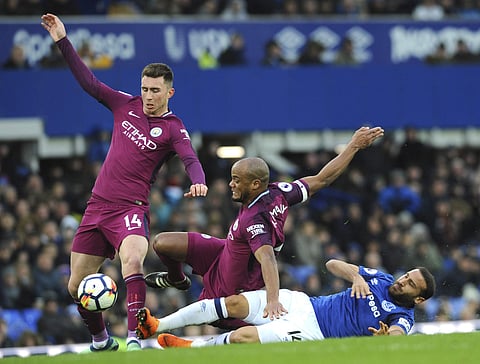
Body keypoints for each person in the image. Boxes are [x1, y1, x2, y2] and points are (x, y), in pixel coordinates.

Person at [40, 13, 208, 352]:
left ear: (169, 92)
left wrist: (199, 181)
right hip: (97, 206)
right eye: (144, 88)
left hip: (130, 209)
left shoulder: (173, 127)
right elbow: (90, 83)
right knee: (76, 287)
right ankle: (101, 340)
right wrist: (62, 41)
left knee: (132, 261)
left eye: (155, 91)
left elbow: (189, 157)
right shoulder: (124, 105)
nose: (147, 96)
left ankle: (133, 337)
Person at [143, 126, 384, 330]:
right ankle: (177, 279)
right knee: (162, 243)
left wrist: (272, 301)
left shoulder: (255, 220)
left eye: (237, 180)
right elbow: (321, 179)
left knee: (224, 322)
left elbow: (267, 258)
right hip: (223, 253)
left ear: (255, 184)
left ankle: (162, 325)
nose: (231, 184)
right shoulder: (280, 192)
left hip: (230, 285)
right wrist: (353, 145)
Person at [136, 258, 436, 347]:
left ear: (418, 299)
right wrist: (355, 276)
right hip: (305, 304)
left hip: (313, 333)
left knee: (242, 337)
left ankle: (190, 348)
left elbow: (398, 335)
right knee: (236, 303)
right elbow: (331, 263)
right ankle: (157, 325)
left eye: (410, 284)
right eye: (406, 274)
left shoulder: (402, 316)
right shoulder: (381, 279)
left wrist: (386, 341)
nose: (402, 281)